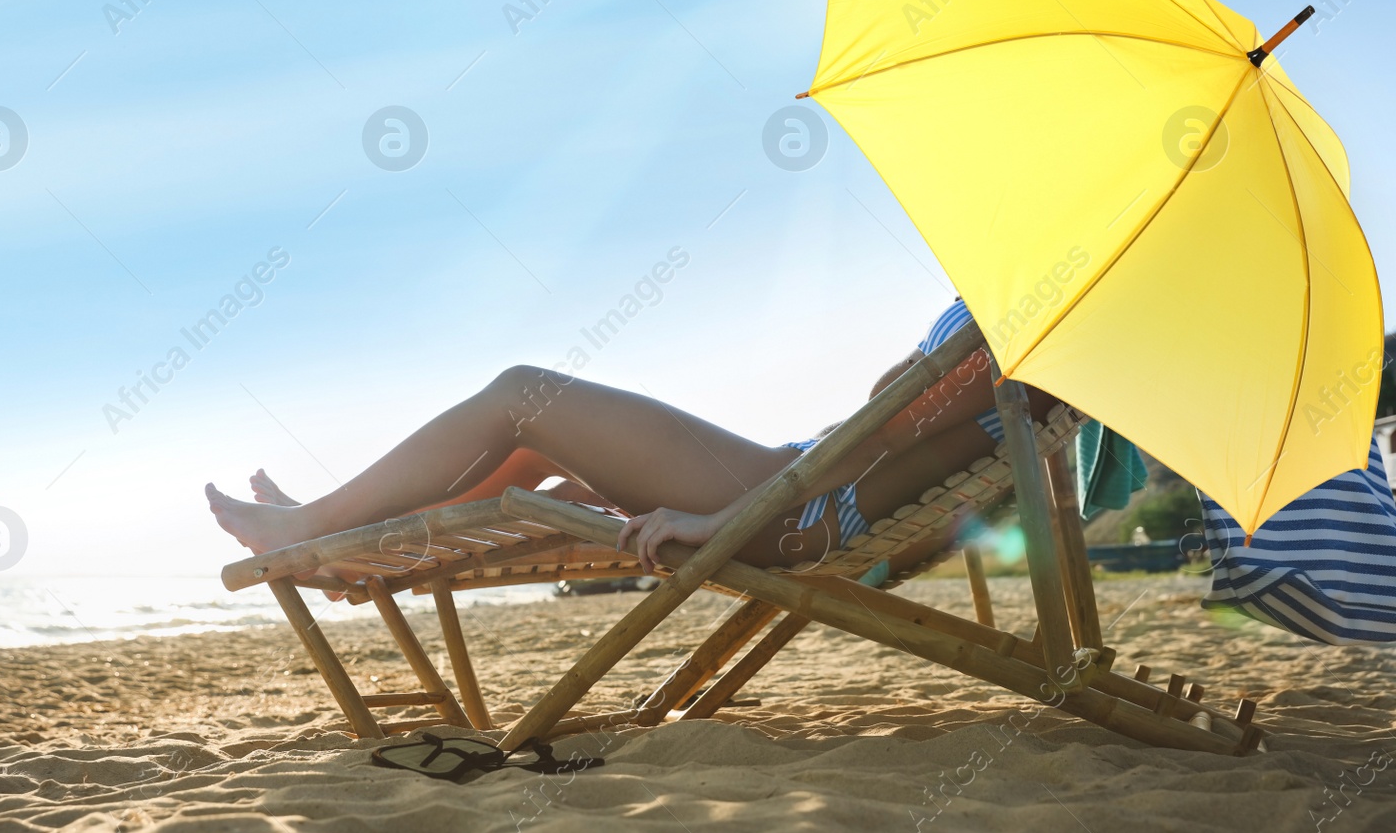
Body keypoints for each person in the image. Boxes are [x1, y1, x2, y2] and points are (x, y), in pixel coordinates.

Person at [205, 299, 1052, 580]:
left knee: (523, 395)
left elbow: (880, 434)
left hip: (785, 502)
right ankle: (344, 528)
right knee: (534, 444)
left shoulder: (1013, 322)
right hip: (795, 481)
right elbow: (883, 437)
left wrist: (723, 520)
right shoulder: (1035, 331)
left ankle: (311, 527)